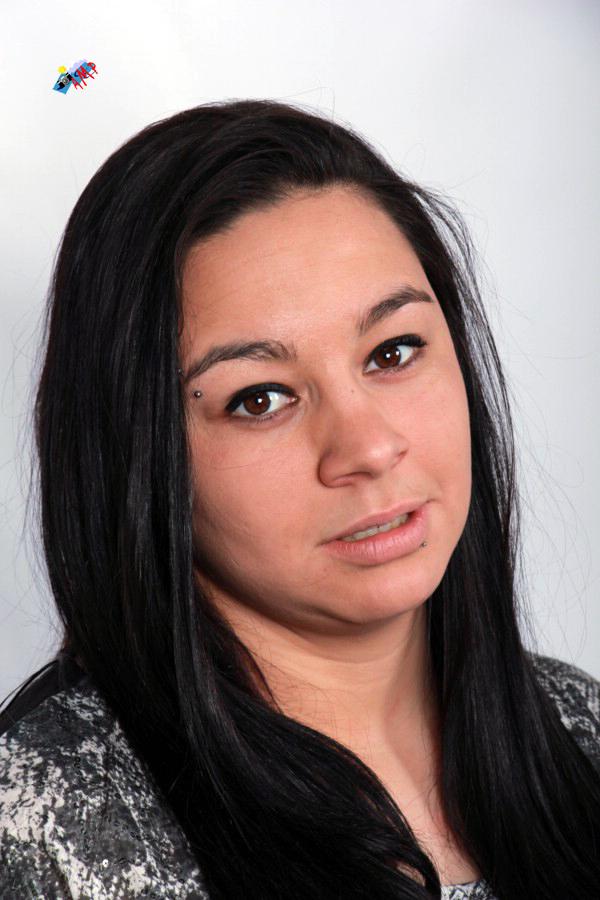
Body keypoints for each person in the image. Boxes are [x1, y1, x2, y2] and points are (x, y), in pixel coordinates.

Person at [0, 99, 598, 900]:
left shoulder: (580, 730)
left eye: (393, 351)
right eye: (260, 399)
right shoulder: (43, 827)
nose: (368, 448)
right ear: (139, 456)